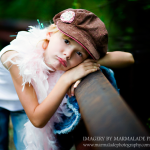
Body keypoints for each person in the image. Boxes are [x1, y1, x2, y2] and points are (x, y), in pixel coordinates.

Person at [0, 8, 134, 150]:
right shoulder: (16, 58)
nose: (68, 54)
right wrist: (67, 78)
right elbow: (37, 119)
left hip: (29, 105)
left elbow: (129, 59)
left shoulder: (65, 55)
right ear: (50, 33)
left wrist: (90, 59)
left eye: (79, 53)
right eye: (66, 41)